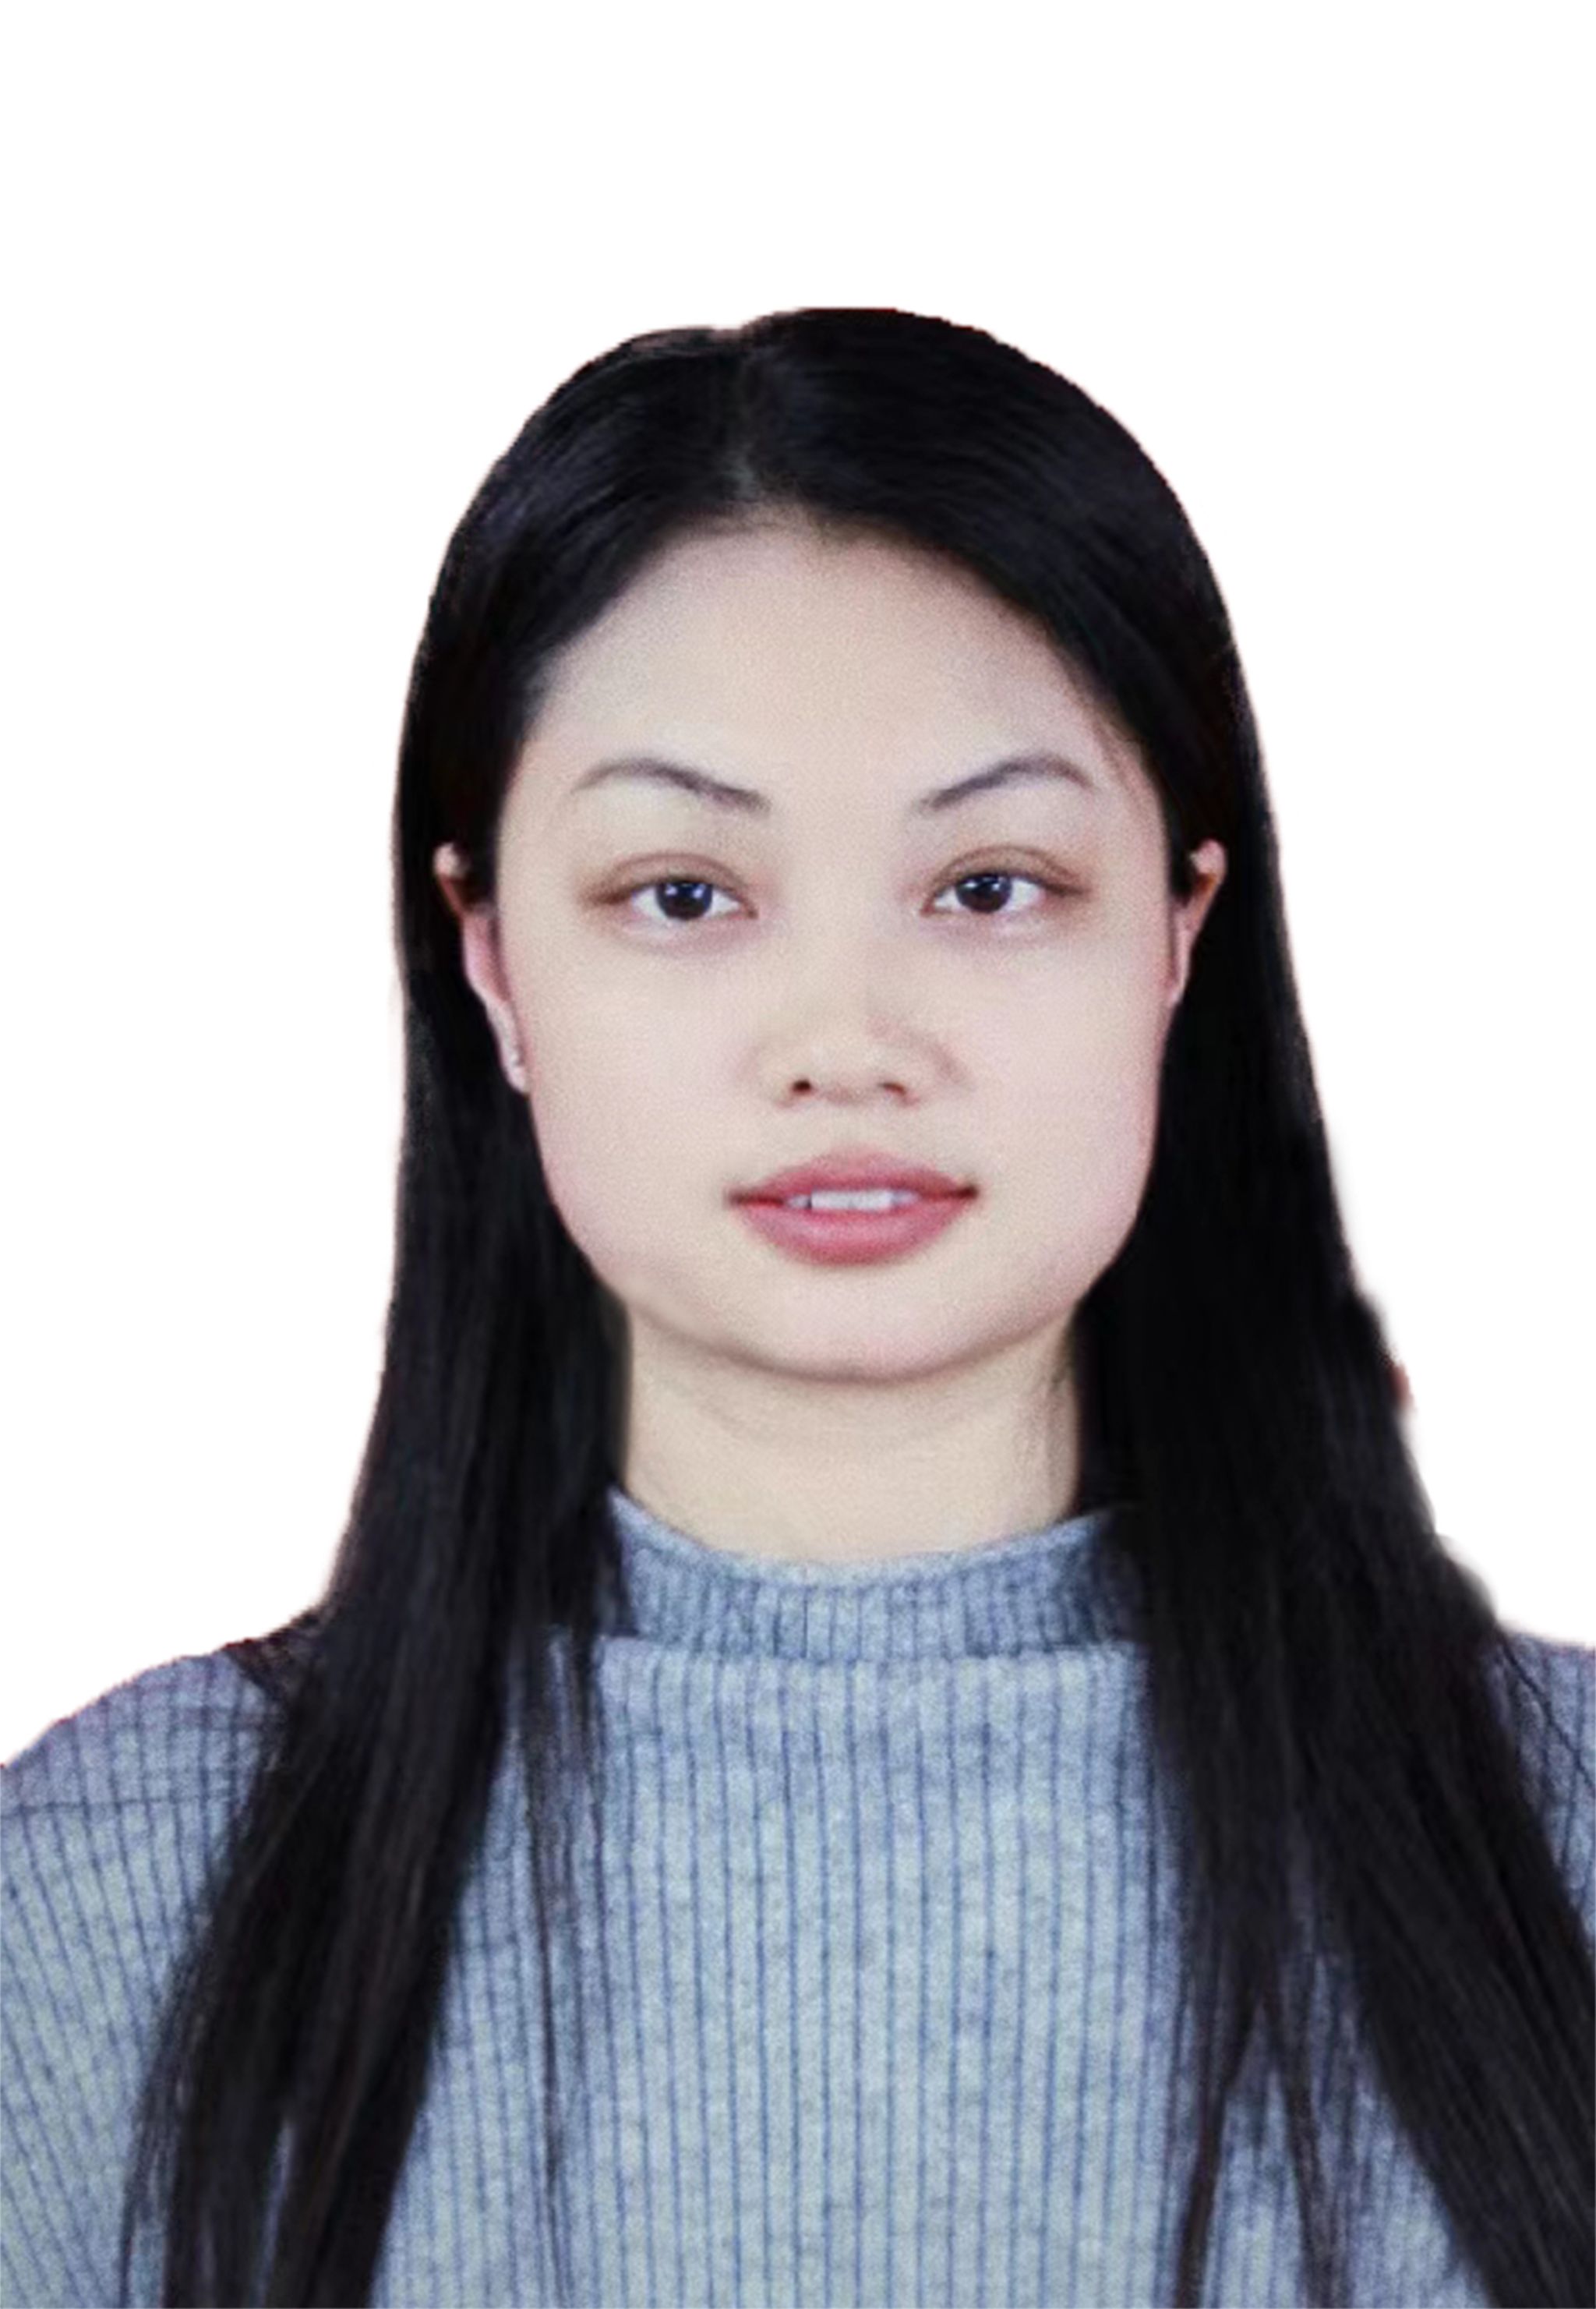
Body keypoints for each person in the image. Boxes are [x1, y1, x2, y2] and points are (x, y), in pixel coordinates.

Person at [2, 307, 1590, 2309]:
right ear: (489, 957)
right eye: (684, 892)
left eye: (989, 884)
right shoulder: (112, 1893)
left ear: (1178, 935)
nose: (845, 1040)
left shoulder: (1561, 1843)